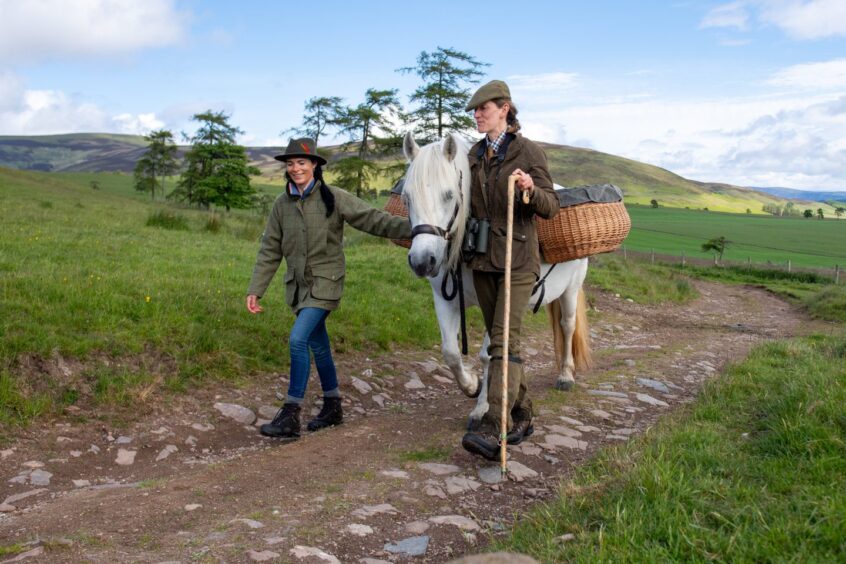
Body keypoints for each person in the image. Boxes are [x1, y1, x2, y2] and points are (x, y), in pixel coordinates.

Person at [246, 137, 412, 440]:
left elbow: (373, 220)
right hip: (298, 288)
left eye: (302, 162)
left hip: (326, 284)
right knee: (318, 345)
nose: (296, 168)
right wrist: (256, 289)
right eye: (291, 163)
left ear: (315, 165)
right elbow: (270, 248)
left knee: (298, 340)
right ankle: (333, 406)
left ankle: (290, 414)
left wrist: (418, 227)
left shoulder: (333, 197)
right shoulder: (281, 205)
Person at [460, 80, 560, 460]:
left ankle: (493, 426)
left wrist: (531, 191)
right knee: (499, 341)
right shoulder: (472, 154)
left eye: (483, 108)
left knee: (502, 342)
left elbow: (552, 205)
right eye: (475, 110)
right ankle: (522, 413)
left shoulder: (528, 151)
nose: (477, 114)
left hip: (517, 260)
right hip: (482, 259)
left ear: (505, 108)